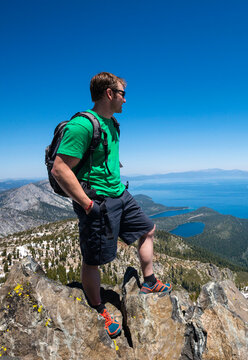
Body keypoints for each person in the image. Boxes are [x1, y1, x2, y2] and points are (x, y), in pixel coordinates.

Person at [51, 72, 171, 338]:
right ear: (109, 93)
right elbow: (60, 169)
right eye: (122, 94)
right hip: (98, 201)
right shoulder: (81, 126)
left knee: (148, 230)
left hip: (120, 195)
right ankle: (98, 310)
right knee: (93, 260)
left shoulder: (113, 124)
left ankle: (149, 282)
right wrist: (86, 204)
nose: (125, 100)